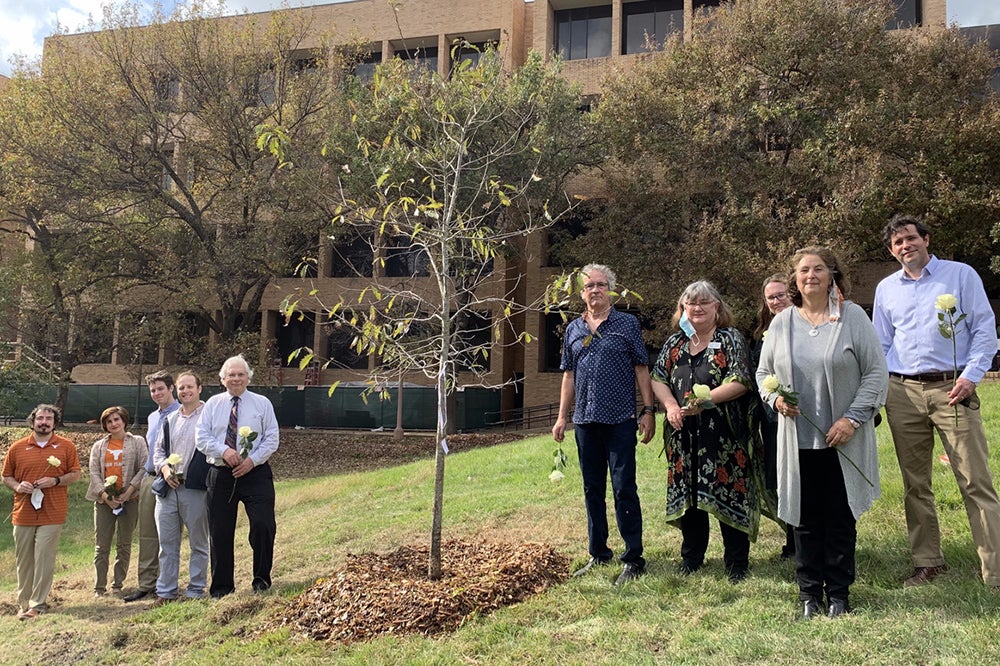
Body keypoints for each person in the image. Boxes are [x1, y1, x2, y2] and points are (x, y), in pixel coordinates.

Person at [757, 246, 887, 619]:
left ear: (832, 274)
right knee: (805, 518)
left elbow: (876, 373)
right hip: (797, 439)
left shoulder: (853, 318)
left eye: (818, 269)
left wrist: (852, 419)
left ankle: (840, 595)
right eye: (803, 270)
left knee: (839, 517)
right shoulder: (781, 323)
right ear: (795, 279)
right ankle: (809, 595)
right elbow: (764, 375)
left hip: (842, 438)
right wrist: (776, 399)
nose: (810, 275)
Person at [873, 215, 1000, 589]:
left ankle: (994, 571)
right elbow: (881, 343)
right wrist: (879, 389)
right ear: (891, 250)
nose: (904, 246)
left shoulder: (960, 275)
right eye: (897, 243)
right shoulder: (886, 289)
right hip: (902, 393)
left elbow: (983, 330)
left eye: (910, 238)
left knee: (975, 480)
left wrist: (971, 377)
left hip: (953, 389)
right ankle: (928, 562)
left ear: (926, 239)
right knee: (916, 485)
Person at [552, 263, 656, 586]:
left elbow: (641, 369)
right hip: (585, 422)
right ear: (581, 293)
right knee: (592, 489)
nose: (594, 290)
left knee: (624, 488)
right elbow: (568, 375)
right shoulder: (573, 330)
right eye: (588, 286)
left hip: (621, 421)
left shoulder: (627, 324)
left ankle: (633, 557)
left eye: (600, 284)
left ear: (610, 289)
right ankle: (598, 553)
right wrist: (561, 416)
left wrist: (649, 410)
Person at [652, 280, 760, 583]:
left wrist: (707, 400)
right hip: (683, 435)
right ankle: (692, 558)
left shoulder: (730, 338)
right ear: (682, 309)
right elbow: (658, 377)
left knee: (729, 494)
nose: (697, 308)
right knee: (690, 500)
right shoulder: (675, 343)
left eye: (704, 303)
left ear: (717, 307)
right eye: (690, 303)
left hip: (723, 435)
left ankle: (737, 562)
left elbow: (741, 380)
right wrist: (671, 405)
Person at [196, 355, 280, 597]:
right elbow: (201, 438)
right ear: (222, 379)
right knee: (220, 531)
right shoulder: (212, 404)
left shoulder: (262, 403)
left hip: (256, 473)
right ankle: (222, 588)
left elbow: (272, 437)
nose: (236, 379)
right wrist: (225, 451)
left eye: (240, 374)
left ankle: (261, 580)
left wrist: (252, 461)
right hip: (221, 474)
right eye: (231, 375)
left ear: (248, 378)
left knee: (263, 526)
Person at [2, 404, 82, 620]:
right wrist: (18, 486)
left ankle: (38, 604)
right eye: (40, 418)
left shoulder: (65, 446)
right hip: (23, 512)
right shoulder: (17, 447)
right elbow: (6, 476)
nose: (44, 422)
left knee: (44, 557)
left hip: (53, 512)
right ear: (33, 421)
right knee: (24, 560)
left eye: (48, 419)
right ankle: (23, 603)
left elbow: (75, 474)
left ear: (54, 423)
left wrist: (55, 480)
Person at [152, 370, 211, 606]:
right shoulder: (170, 419)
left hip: (196, 489)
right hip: (168, 490)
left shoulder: (209, 416)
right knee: (167, 544)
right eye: (181, 387)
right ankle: (166, 591)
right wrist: (165, 470)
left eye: (190, 387)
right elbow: (158, 452)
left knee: (199, 542)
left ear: (199, 388)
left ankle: (196, 589)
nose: (185, 391)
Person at [124, 370, 180, 602]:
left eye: (161, 389)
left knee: (172, 536)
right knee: (148, 534)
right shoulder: (152, 417)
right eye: (153, 390)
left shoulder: (185, 412)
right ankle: (147, 583)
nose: (157, 393)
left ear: (171, 388)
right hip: (152, 478)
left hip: (178, 480)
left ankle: (170, 584)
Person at [751, 274, 796, 559]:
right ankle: (792, 541)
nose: (776, 301)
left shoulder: (802, 325)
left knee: (802, 477)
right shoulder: (760, 334)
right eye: (771, 298)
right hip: (770, 418)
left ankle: (808, 540)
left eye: (781, 295)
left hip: (797, 414)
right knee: (782, 479)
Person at [84, 406, 147, 598]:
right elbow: (94, 473)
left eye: (116, 420)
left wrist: (129, 492)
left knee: (124, 544)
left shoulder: (137, 442)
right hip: (105, 502)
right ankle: (99, 588)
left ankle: (117, 584)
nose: (113, 424)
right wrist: (105, 496)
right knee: (101, 545)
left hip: (129, 499)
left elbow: (144, 467)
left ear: (124, 421)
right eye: (109, 421)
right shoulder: (99, 446)